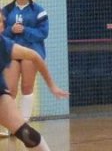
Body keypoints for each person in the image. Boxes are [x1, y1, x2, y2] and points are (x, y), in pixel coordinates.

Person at [0, 11, 68, 150]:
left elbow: (35, 56)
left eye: (0, 22)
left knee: (28, 135)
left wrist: (52, 85)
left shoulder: (4, 45)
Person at [2, 0, 49, 123]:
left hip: (31, 51)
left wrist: (25, 30)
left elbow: (43, 33)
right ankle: (10, 123)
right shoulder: (6, 11)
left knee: (27, 87)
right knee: (10, 90)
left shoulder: (39, 10)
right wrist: (11, 30)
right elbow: (1, 33)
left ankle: (23, 124)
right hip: (12, 52)